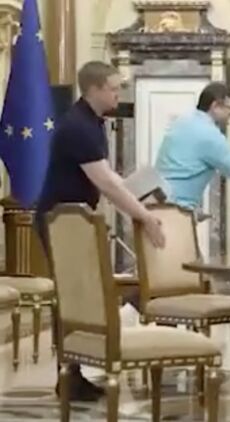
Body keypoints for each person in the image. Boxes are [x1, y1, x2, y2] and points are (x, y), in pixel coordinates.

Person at [34, 61, 166, 401]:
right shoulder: (77, 126)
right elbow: (106, 183)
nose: (118, 94)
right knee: (73, 297)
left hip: (76, 221)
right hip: (63, 223)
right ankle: (69, 376)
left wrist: (142, 197)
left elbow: (109, 177)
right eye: (114, 88)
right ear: (94, 89)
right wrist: (144, 216)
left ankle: (74, 374)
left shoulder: (92, 122)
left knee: (82, 294)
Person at [155, 82, 230, 211]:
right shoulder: (210, 136)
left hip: (156, 204)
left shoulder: (182, 122)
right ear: (215, 106)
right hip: (177, 210)